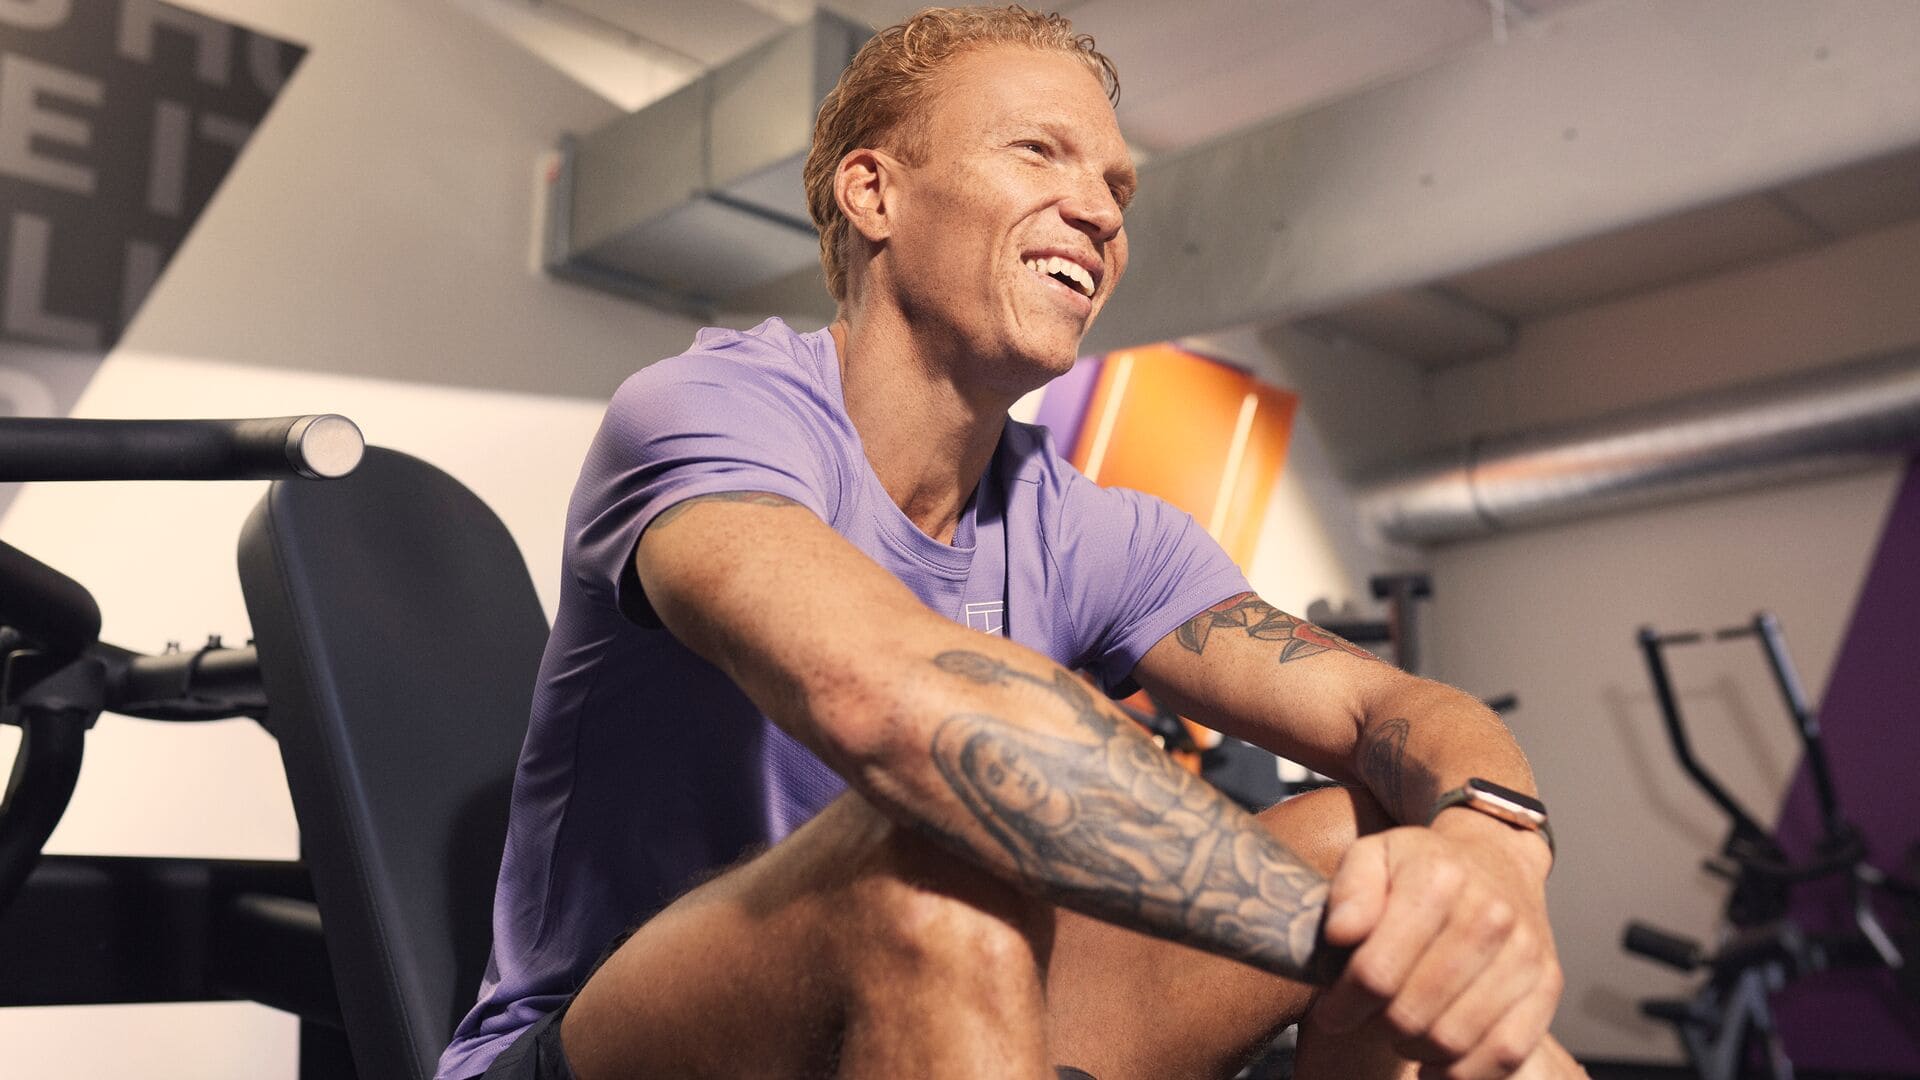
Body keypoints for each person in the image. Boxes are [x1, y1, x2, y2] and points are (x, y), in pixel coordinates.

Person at [438, 7, 1588, 1079]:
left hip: (962, 993)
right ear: (874, 193)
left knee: (1382, 842)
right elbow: (888, 705)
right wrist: (1340, 943)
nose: (1100, 208)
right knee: (930, 853)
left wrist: (1489, 852)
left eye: (1115, 185)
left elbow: (1392, 715)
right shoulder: (712, 410)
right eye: (1039, 152)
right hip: (614, 1040)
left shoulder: (1094, 528)